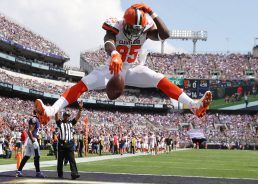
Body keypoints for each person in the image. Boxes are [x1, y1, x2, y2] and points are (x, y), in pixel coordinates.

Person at [34, 3, 212, 125]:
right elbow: (108, 40)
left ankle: (193, 106)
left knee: (159, 79)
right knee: (83, 85)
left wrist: (152, 12)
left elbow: (165, 34)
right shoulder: (116, 25)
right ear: (124, 22)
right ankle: (50, 112)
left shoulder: (145, 29)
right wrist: (114, 54)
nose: (134, 32)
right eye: (130, 27)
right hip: (114, 67)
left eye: (137, 29)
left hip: (134, 68)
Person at [55, 100, 83, 180]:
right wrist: (56, 109)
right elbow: (56, 117)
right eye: (66, 116)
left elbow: (78, 117)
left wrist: (80, 109)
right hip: (61, 144)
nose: (67, 117)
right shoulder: (60, 123)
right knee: (60, 160)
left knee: (72, 160)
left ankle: (74, 173)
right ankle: (60, 174)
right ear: (63, 116)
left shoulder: (71, 123)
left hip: (70, 144)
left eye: (68, 116)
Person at [16, 110, 46, 178]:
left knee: (27, 156)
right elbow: (29, 131)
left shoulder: (36, 119)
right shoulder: (34, 119)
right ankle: (38, 172)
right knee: (37, 156)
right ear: (37, 113)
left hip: (30, 139)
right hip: (32, 139)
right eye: (40, 113)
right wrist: (33, 141)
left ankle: (19, 171)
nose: (41, 115)